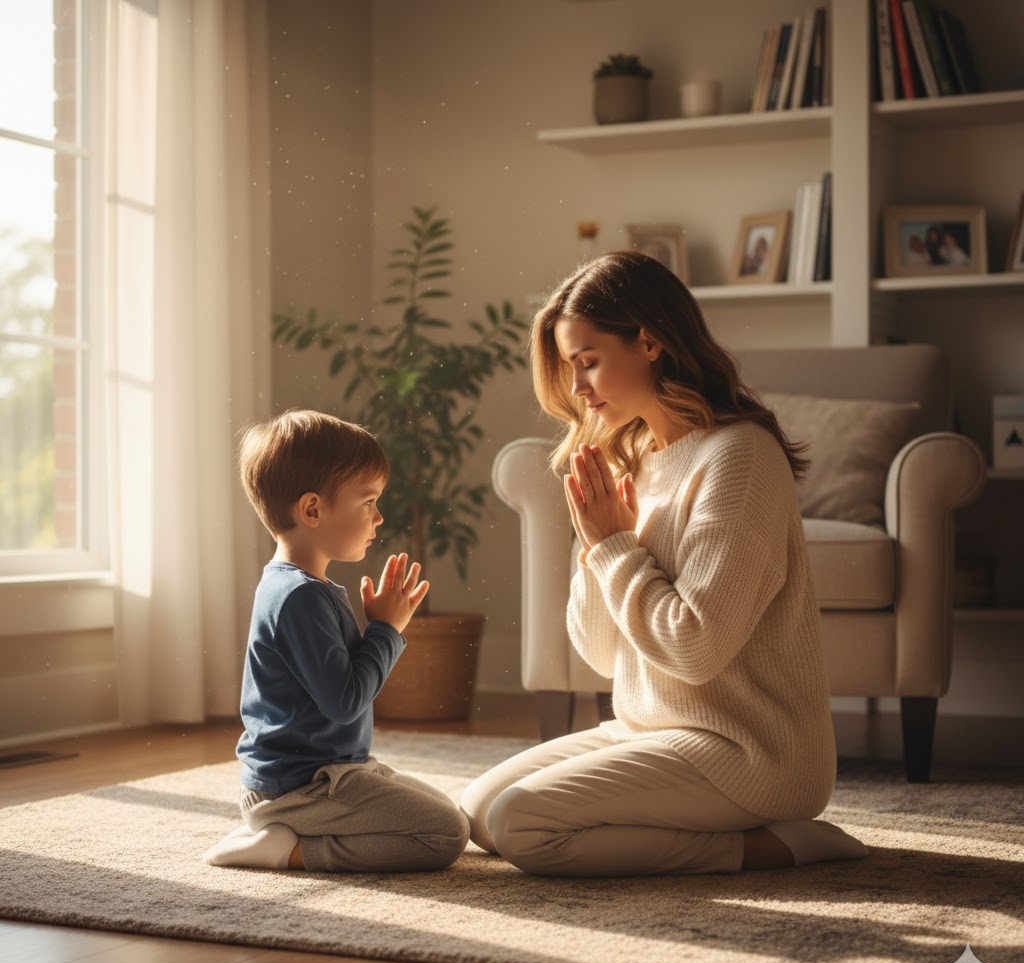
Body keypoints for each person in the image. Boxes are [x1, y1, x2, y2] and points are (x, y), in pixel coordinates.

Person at [460, 251, 869, 878]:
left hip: (751, 752)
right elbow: (601, 654)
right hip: (647, 730)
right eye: (571, 371)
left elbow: (696, 649)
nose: (578, 390)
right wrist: (599, 542)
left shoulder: (740, 459)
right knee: (481, 813)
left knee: (522, 823)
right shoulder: (635, 462)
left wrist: (616, 548)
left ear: (649, 342)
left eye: (588, 362)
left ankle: (774, 845)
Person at [204, 410, 469, 872]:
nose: (379, 517)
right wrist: (386, 630)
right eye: (368, 502)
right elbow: (345, 701)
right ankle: (287, 849)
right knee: (445, 834)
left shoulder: (305, 588)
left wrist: (383, 628)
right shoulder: (298, 598)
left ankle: (285, 831)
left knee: (455, 814)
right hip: (299, 788)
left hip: (330, 771)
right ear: (312, 510)